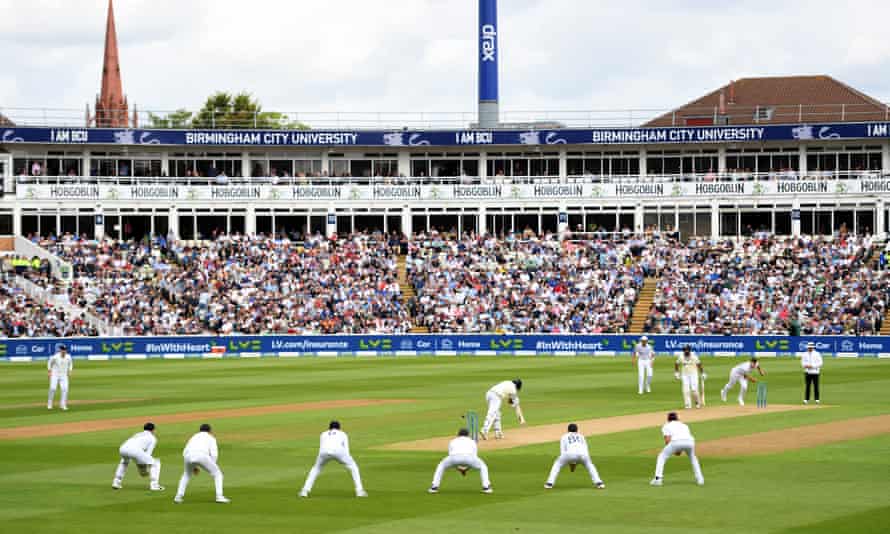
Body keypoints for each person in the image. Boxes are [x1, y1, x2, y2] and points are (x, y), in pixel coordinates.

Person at [299, 421, 367, 498]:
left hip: (323, 452)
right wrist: (347, 461)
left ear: (329, 428)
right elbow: (346, 449)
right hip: (339, 451)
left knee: (316, 468)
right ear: (339, 428)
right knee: (354, 467)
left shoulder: (323, 434)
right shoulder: (343, 434)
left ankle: (304, 491)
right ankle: (359, 491)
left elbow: (322, 447)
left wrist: (319, 461)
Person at [174, 424, 230, 504]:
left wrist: (194, 466)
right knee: (218, 474)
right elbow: (214, 454)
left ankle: (178, 497)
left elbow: (184, 452)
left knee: (186, 475)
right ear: (210, 431)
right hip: (202, 455)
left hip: (188, 456)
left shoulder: (193, 437)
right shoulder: (211, 438)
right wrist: (212, 466)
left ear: (200, 430)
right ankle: (219, 497)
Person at [428, 428, 492, 494]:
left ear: (458, 434)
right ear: (468, 435)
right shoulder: (472, 441)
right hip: (469, 457)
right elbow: (474, 457)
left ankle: (434, 487)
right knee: (483, 466)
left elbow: (452, 458)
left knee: (441, 465)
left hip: (454, 457)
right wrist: (466, 469)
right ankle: (486, 487)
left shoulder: (452, 441)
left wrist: (459, 468)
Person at [544, 423, 605, 490]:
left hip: (569, 454)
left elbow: (563, 451)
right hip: (584, 454)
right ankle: (599, 482)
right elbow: (585, 448)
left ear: (568, 430)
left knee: (557, 464)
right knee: (590, 466)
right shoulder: (581, 436)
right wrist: (582, 460)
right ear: (577, 430)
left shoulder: (564, 436)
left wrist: (571, 462)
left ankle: (549, 483)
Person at [650, 412, 704, 487]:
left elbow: (667, 440)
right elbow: (685, 437)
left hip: (676, 442)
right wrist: (678, 450)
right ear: (677, 418)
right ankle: (700, 479)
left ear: (668, 419)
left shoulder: (666, 426)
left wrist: (676, 451)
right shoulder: (684, 425)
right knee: (693, 458)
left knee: (662, 456)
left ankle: (658, 479)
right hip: (690, 442)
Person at [112, 422, 164, 491]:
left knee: (124, 462)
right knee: (156, 463)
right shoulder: (152, 438)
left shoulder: (138, 434)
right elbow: (148, 454)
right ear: (153, 430)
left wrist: (141, 464)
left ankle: (116, 482)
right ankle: (154, 485)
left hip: (122, 448)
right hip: (135, 451)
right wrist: (142, 466)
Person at [47, 345, 73, 410]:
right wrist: (49, 371)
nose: (64, 351)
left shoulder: (68, 357)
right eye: (62, 349)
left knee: (65, 389)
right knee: (53, 388)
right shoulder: (55, 357)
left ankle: (63, 405)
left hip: (64, 375)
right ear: (60, 350)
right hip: (55, 374)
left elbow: (71, 364)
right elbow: (49, 363)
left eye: (65, 349)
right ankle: (49, 404)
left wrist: (70, 371)